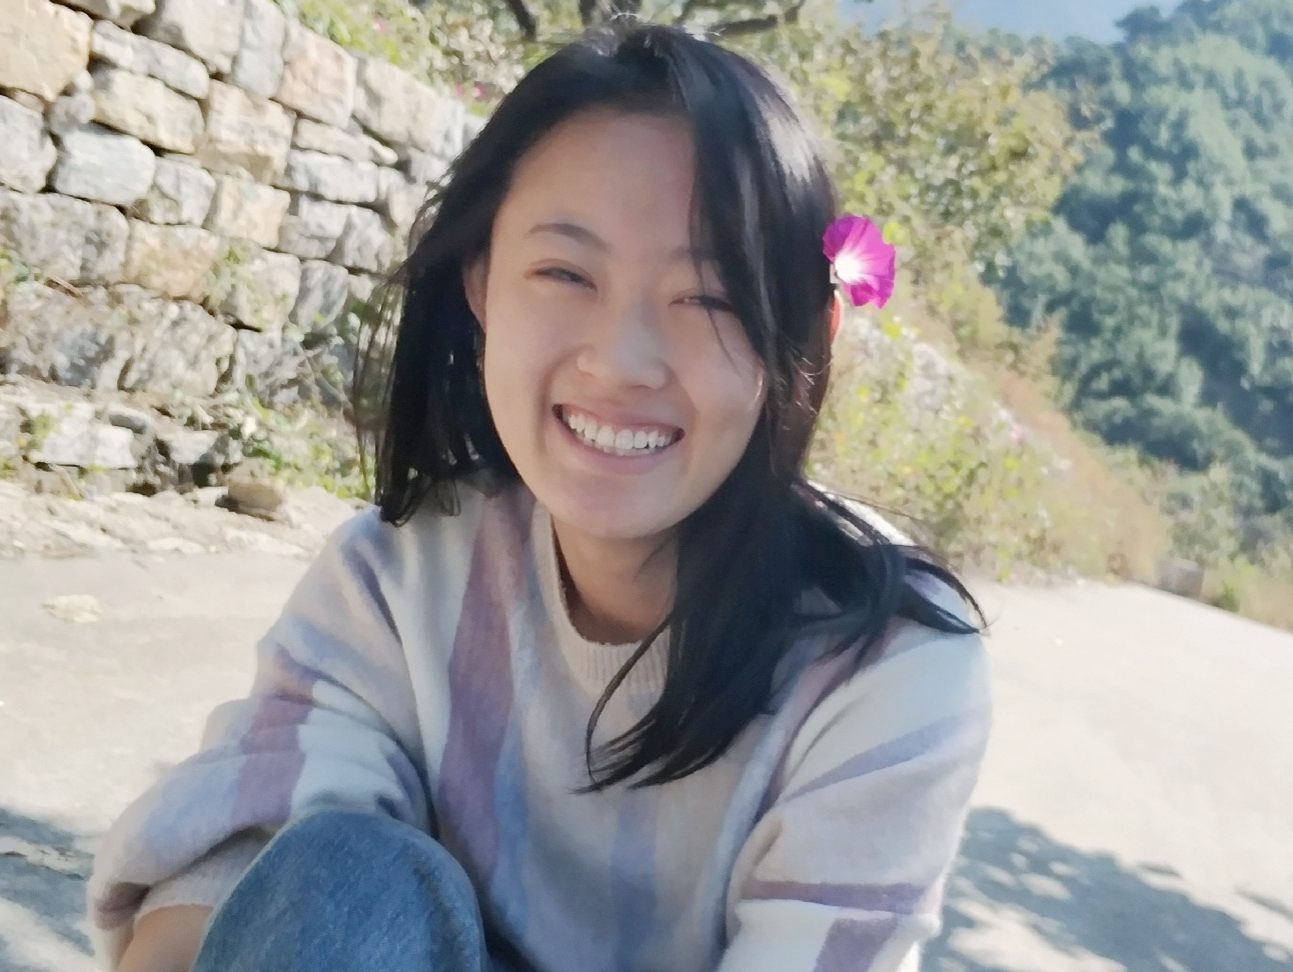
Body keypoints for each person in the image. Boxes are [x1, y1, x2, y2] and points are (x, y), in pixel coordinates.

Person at [89, 20, 992, 972]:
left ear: (804, 333)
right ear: (481, 284)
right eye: (565, 273)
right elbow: (241, 872)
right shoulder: (397, 579)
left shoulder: (885, 668)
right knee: (340, 872)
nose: (621, 360)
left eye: (709, 298)